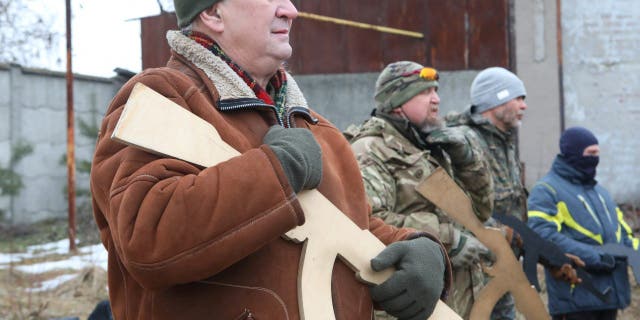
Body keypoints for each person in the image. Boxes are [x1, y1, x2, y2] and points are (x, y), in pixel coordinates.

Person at [89, 1, 452, 319]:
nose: (291, 10)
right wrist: (275, 171)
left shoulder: (315, 127)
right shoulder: (162, 98)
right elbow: (147, 237)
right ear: (213, 11)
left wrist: (412, 247)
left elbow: (344, 226)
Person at [345, 61, 495, 319]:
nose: (436, 99)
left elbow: (481, 212)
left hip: (457, 300)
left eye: (436, 91)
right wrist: (449, 238)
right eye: (425, 92)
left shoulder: (430, 147)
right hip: (414, 304)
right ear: (397, 101)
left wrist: (467, 160)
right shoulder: (370, 149)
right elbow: (368, 222)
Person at [444, 67, 529, 319]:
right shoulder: (466, 142)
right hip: (477, 267)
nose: (524, 106)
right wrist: (500, 233)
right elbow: (458, 205)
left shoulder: (505, 139)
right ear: (496, 100)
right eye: (518, 98)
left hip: (504, 262)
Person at [527, 127, 638, 320]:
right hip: (574, 299)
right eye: (590, 153)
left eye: (597, 153)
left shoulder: (601, 194)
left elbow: (624, 236)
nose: (595, 158)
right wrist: (597, 257)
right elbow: (542, 236)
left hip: (608, 297)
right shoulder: (546, 190)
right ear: (573, 153)